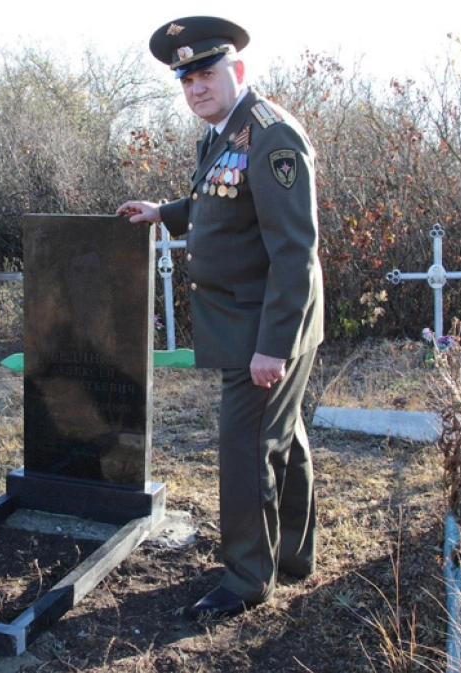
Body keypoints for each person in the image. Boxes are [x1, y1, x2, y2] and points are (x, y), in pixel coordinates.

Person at [117, 15, 324, 619]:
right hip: (248, 321)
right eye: (186, 80)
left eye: (206, 73)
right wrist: (167, 212)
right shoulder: (222, 133)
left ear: (237, 71)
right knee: (282, 438)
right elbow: (223, 200)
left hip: (266, 327)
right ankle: (291, 555)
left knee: (244, 448)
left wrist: (272, 347)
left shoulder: (271, 136)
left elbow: (294, 250)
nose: (196, 88)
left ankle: (245, 579)